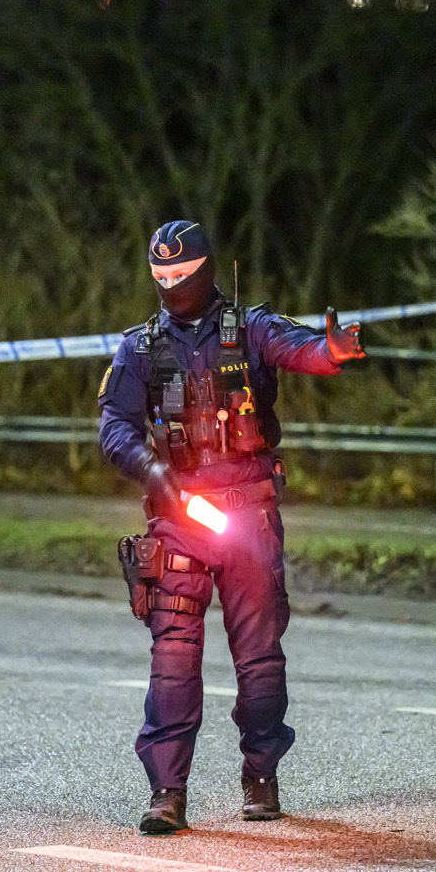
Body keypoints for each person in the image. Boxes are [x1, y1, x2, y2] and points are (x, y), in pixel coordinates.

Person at [98, 220, 365, 834]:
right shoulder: (139, 348)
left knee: (260, 660)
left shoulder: (249, 329)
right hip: (179, 518)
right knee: (172, 658)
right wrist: (148, 468)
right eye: (160, 279)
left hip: (246, 514)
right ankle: (167, 792)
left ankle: (261, 778)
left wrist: (333, 353)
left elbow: (299, 348)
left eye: (182, 277)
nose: (171, 288)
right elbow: (113, 425)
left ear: (207, 271)